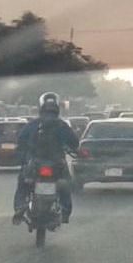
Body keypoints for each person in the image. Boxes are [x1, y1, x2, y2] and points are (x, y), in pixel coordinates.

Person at [13, 92, 80, 226]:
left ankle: (20, 207)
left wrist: (22, 150)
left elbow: (21, 140)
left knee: (23, 182)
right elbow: (74, 142)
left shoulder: (33, 125)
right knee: (66, 184)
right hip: (57, 163)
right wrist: (72, 149)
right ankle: (65, 212)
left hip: (35, 162)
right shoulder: (62, 125)